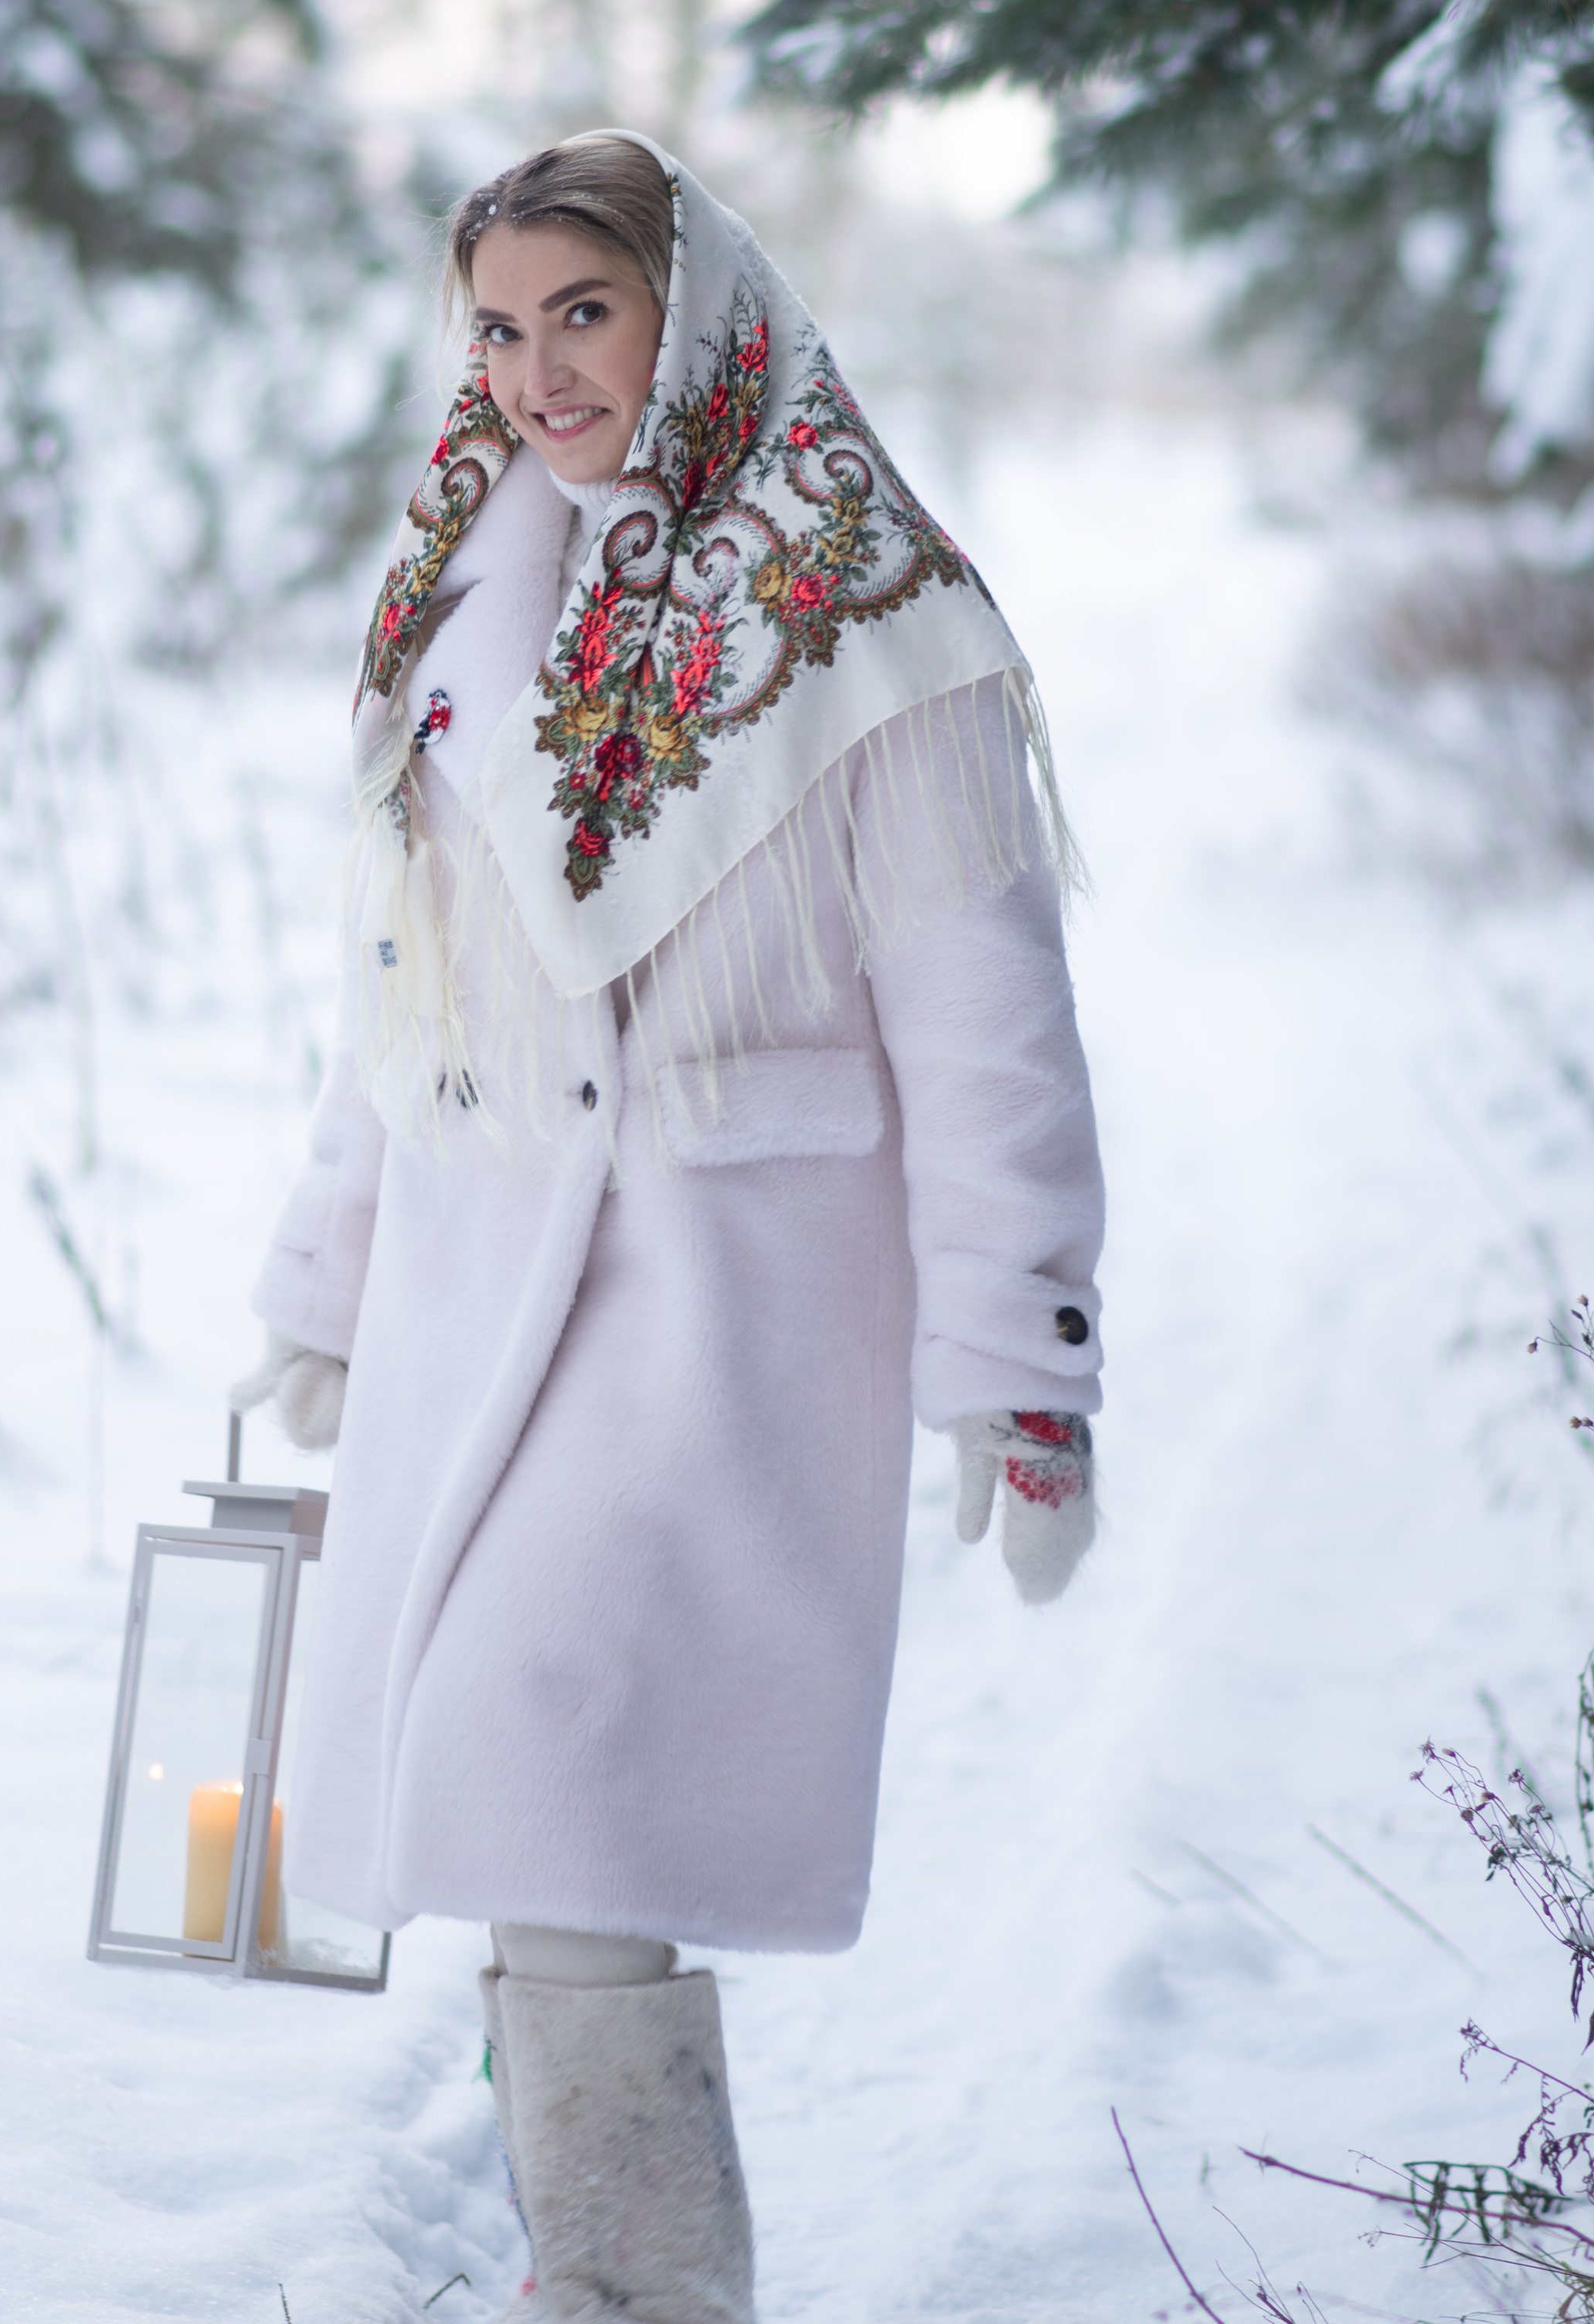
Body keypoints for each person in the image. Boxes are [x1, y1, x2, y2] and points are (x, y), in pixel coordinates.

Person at [232, 133, 1106, 2324]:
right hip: (478, 1296)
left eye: (583, 312)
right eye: (500, 327)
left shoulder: (865, 606)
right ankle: (626, 2287)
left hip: (729, 1319)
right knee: (536, 1835)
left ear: (695, 311)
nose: (536, 371)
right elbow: (402, 991)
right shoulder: (456, 595)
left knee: (547, 1751)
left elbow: (990, 1026)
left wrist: (1022, 1370)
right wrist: (328, 1282)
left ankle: (627, 2296)